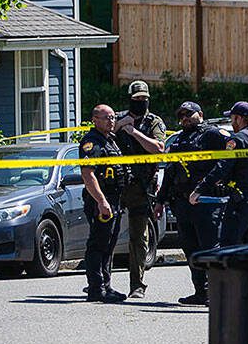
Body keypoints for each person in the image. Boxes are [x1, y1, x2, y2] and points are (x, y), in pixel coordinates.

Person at [157, 101, 229, 305]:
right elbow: (170, 172)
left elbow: (230, 161)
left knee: (210, 248)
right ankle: (201, 291)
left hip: (207, 202)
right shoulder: (179, 140)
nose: (184, 118)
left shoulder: (214, 134)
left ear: (201, 114)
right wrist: (160, 201)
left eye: (189, 114)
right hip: (183, 203)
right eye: (181, 116)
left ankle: (218, 292)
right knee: (191, 249)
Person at [193, 101, 248, 245]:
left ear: (239, 118)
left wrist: (200, 190)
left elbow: (222, 166)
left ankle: (234, 269)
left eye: (232, 118)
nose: (231, 123)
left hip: (241, 200)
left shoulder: (238, 139)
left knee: (229, 244)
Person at [113, 81, 165, 298]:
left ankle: (137, 284)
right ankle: (101, 282)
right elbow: (101, 138)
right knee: (107, 234)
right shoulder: (118, 117)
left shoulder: (154, 122)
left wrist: (133, 132)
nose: (140, 103)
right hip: (116, 184)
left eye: (143, 100)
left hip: (141, 187)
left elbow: (158, 149)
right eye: (136, 100)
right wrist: (119, 126)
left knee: (138, 238)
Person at [79, 105, 129, 303]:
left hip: (114, 199)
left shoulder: (110, 141)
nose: (111, 121)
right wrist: (101, 201)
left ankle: (106, 286)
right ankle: (96, 288)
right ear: (95, 120)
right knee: (98, 244)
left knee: (109, 244)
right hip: (101, 200)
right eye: (106, 117)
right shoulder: (92, 143)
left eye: (113, 117)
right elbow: (87, 174)